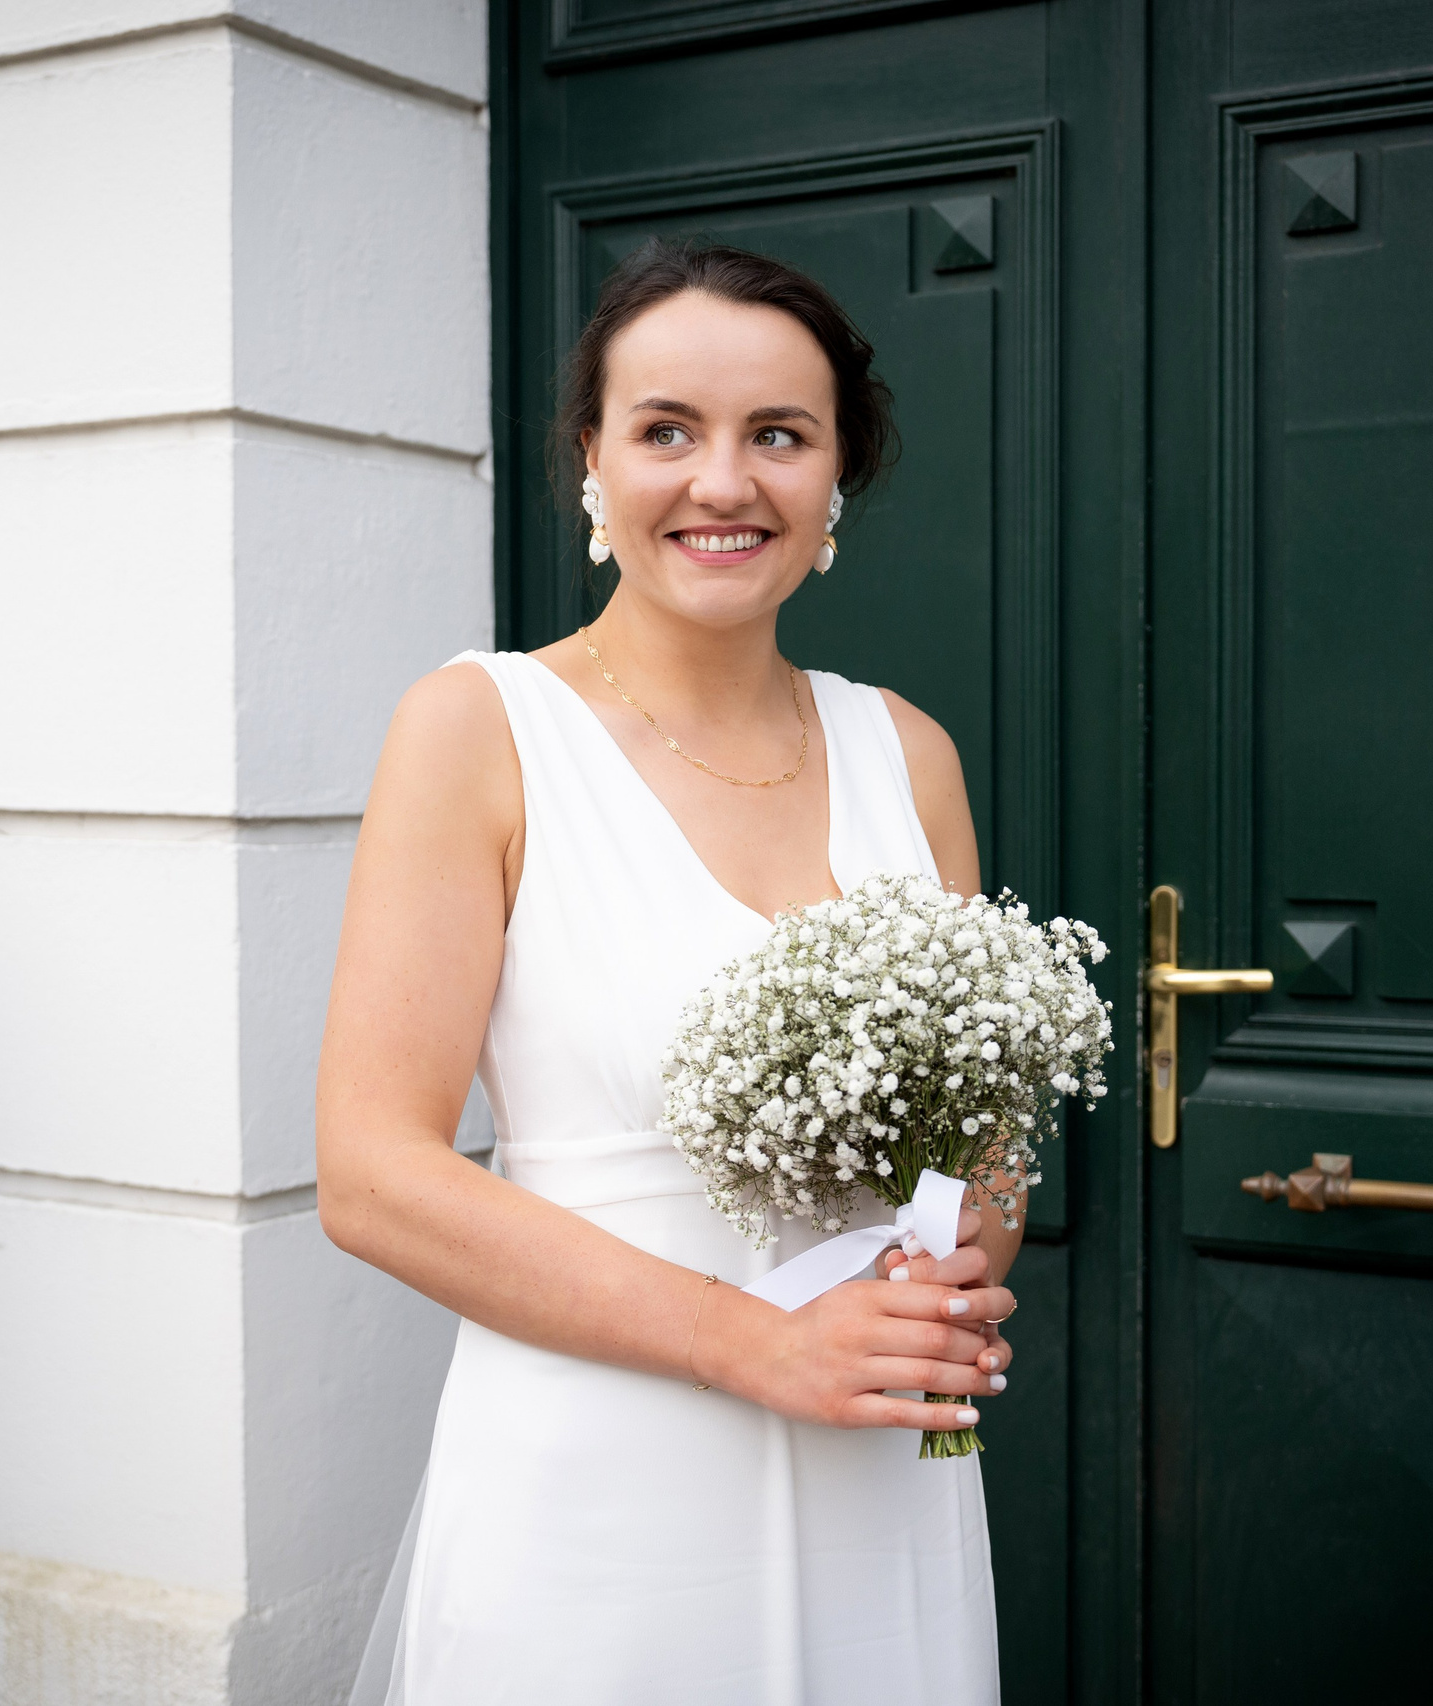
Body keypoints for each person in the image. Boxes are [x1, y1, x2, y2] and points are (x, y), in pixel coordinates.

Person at [318, 239, 1014, 1705]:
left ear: (837, 480)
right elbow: (372, 1173)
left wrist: (955, 1275)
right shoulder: (479, 729)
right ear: (592, 460)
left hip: (875, 1465)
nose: (723, 481)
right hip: (602, 1487)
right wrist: (751, 1341)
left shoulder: (912, 752)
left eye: (779, 434)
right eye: (666, 430)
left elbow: (985, 1132)